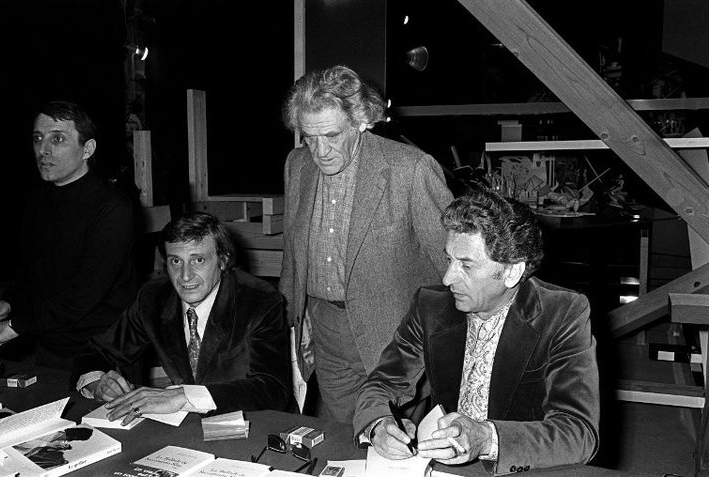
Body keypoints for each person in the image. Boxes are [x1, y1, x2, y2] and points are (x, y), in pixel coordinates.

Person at [354, 188, 599, 474]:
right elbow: (382, 383)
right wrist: (378, 425)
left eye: (466, 265)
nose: (447, 279)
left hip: (522, 466)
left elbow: (579, 433)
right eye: (449, 260)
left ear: (511, 272)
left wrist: (486, 439)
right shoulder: (430, 305)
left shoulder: (563, 313)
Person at [279, 65, 454, 422]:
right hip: (325, 331)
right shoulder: (296, 166)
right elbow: (292, 256)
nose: (319, 151)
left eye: (330, 135)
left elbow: (453, 263)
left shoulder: (411, 169)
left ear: (361, 121)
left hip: (397, 338)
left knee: (396, 450)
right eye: (308, 137)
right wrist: (287, 321)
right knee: (341, 445)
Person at [72, 212, 293, 423]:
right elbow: (97, 351)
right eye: (176, 262)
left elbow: (273, 389)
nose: (185, 276)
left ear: (223, 261)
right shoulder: (153, 298)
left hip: (251, 423)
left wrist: (185, 396)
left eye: (198, 261)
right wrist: (96, 382)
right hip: (186, 428)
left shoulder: (259, 301)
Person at [0, 101, 137, 368]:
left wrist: (11, 326)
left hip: (104, 354)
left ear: (87, 149)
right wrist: (7, 304)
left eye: (57, 139)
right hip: (50, 347)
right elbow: (32, 279)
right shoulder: (37, 201)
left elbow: (83, 294)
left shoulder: (113, 207)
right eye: (38, 138)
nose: (43, 150)